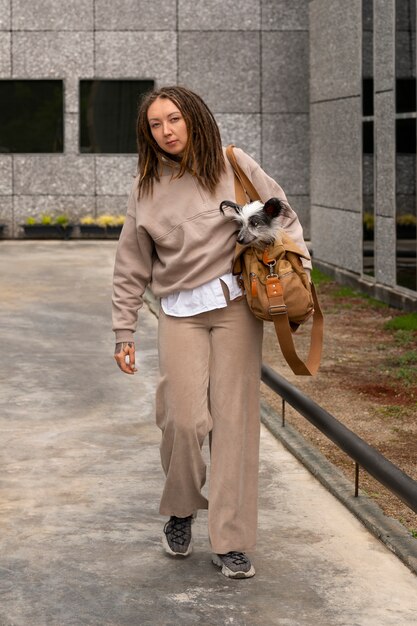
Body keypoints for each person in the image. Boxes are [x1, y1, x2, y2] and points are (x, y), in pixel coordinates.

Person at [112, 85, 312, 579]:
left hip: (237, 308)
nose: (166, 131)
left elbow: (282, 211)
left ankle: (232, 540)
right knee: (183, 418)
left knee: (234, 423)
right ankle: (181, 507)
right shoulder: (145, 189)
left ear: (194, 118)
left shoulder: (232, 162)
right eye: (155, 125)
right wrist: (124, 330)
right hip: (180, 312)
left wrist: (295, 268)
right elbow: (130, 265)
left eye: (174, 119)